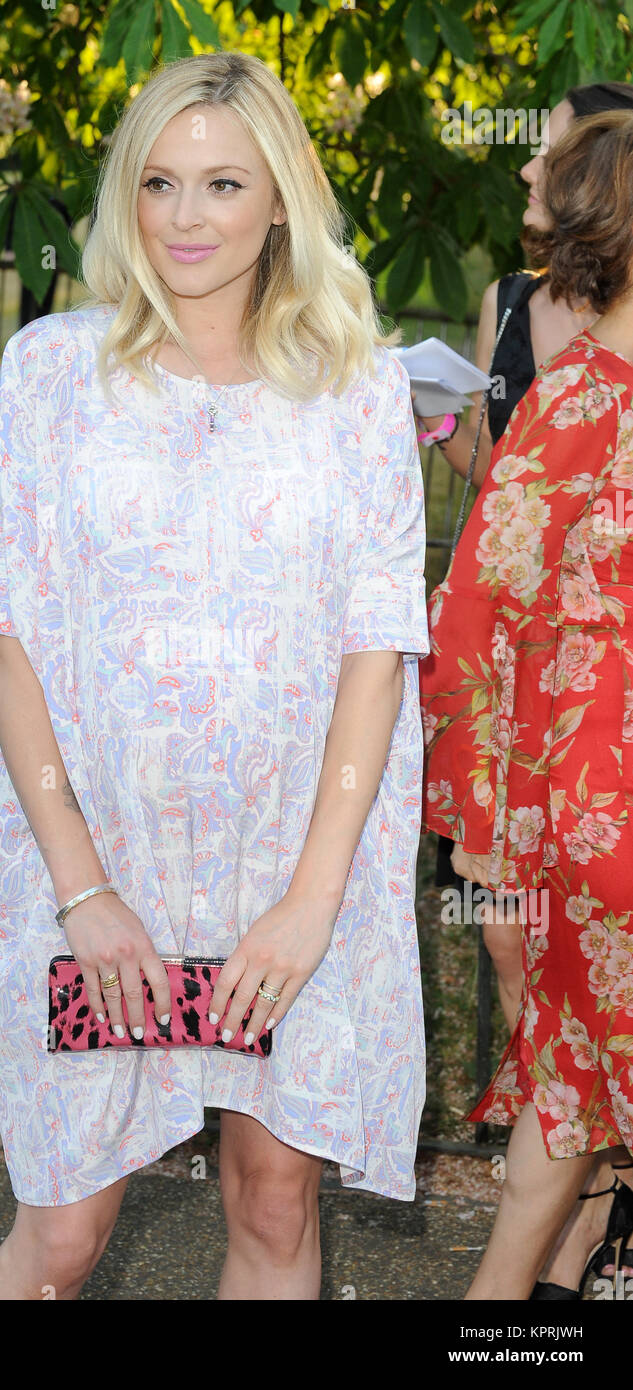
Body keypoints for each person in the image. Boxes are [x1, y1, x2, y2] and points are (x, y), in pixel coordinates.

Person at [0, 49, 429, 1301]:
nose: (184, 217)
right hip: (104, 885)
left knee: (272, 1202)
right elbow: (5, 633)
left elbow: (375, 655)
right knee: (64, 1234)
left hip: (292, 884)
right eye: (157, 183)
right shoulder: (56, 373)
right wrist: (83, 892)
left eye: (221, 184)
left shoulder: (360, 388)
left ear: (280, 199)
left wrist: (312, 904)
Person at [418, 80, 633, 1297]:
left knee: (565, 1090)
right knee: (568, 1091)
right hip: (591, 812)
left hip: (581, 806)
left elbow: (476, 622)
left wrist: (486, 830)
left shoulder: (580, 399)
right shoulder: (576, 392)